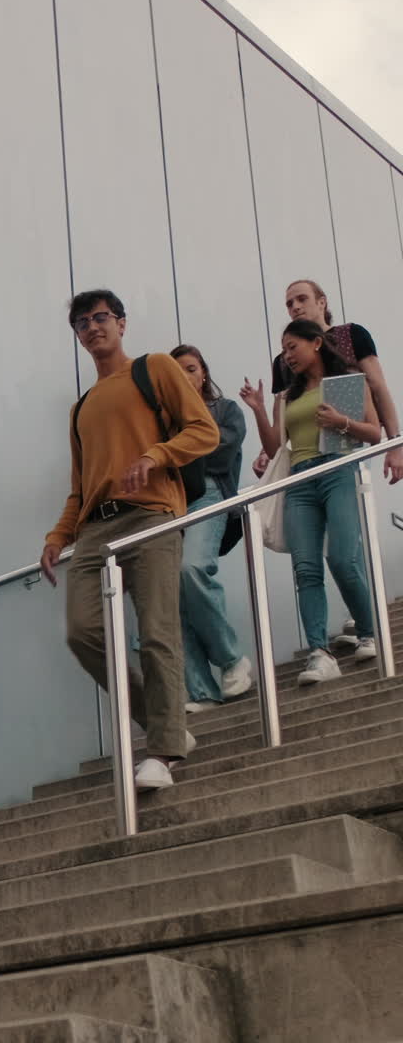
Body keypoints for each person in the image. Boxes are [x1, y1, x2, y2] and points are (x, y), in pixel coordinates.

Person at [40, 289, 219, 791]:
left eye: (100, 318)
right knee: (82, 633)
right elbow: (81, 487)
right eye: (81, 323)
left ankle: (162, 751)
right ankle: (169, 721)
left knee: (158, 631)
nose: (92, 327)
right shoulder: (81, 408)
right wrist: (58, 535)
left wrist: (156, 456)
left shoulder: (155, 368)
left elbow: (203, 431)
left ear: (121, 323)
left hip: (151, 515)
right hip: (96, 527)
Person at [241, 320, 380, 687]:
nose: (287, 355)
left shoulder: (346, 381)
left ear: (316, 343)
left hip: (337, 469)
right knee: (306, 569)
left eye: (292, 346)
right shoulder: (287, 395)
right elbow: (274, 450)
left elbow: (373, 432)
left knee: (342, 558)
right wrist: (257, 408)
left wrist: (341, 421)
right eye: (284, 349)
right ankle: (320, 652)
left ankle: (370, 630)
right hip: (299, 481)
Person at [253, 278, 401, 484]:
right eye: (289, 303)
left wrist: (395, 445)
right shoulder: (284, 360)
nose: (295, 306)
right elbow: (285, 415)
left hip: (356, 449)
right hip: (307, 458)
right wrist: (265, 452)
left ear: (322, 302)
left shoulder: (351, 334)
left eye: (302, 299)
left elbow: (377, 386)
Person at [170, 345, 250, 711]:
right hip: (170, 506)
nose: (184, 376)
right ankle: (202, 690)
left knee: (192, 569)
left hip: (210, 494)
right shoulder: (164, 422)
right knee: (174, 599)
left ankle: (232, 660)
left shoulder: (225, 410)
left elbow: (218, 451)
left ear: (203, 373)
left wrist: (173, 448)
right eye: (177, 371)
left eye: (190, 368)